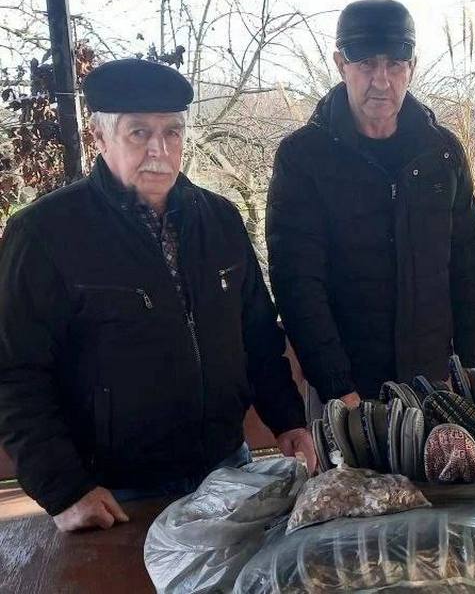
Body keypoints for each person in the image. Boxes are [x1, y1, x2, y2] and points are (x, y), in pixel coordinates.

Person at [0, 58, 315, 532]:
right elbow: (15, 372)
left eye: (172, 132)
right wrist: (64, 489)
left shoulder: (220, 220)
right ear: (99, 136)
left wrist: (288, 419)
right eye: (138, 133)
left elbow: (256, 336)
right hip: (116, 492)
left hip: (226, 469)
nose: (159, 150)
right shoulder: (45, 234)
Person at [266, 0, 475, 408]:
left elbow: (468, 266)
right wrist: (337, 386)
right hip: (348, 389)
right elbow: (298, 283)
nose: (382, 81)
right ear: (341, 64)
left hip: (434, 382)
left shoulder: (442, 153)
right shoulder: (304, 158)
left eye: (395, 64)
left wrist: (474, 369)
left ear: (412, 67)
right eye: (367, 64)